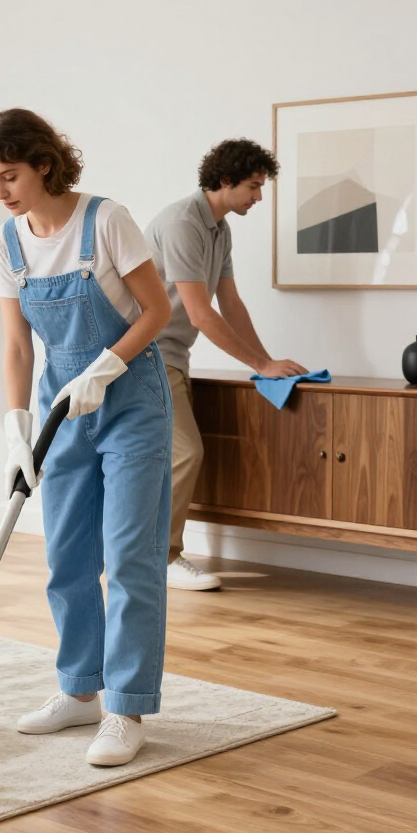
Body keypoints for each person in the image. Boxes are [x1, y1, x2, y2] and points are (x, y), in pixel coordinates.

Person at [0, 108, 173, 767]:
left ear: (45, 164)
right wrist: (16, 430)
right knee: (67, 557)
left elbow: (157, 311)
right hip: (58, 411)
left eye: (9, 176)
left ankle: (125, 707)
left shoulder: (106, 220)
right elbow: (15, 346)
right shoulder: (7, 242)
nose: (0, 192)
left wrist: (108, 365)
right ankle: (79, 690)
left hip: (131, 402)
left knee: (131, 555)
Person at [144, 138, 307, 592]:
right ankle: (163, 559)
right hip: (147, 355)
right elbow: (200, 313)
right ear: (224, 181)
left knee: (169, 457)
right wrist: (259, 362)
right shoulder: (182, 224)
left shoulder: (219, 229)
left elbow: (230, 303)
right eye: (253, 187)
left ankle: (148, 554)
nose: (258, 197)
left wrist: (267, 362)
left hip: (174, 356)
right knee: (185, 453)